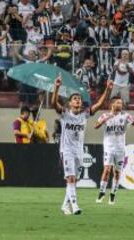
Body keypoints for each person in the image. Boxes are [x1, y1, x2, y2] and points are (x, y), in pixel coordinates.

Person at [51, 74, 113, 215]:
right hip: (66, 150)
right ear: (70, 103)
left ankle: (64, 205)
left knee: (74, 180)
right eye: (75, 99)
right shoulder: (65, 114)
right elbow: (54, 103)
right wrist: (56, 87)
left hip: (79, 151)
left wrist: (108, 90)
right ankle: (75, 206)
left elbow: (100, 105)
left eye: (79, 99)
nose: (78, 100)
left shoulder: (84, 114)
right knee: (71, 178)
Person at [94, 96, 134, 205]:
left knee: (117, 172)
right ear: (112, 104)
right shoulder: (105, 115)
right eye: (118, 103)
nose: (120, 105)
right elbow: (96, 126)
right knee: (107, 169)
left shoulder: (126, 116)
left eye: (121, 103)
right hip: (109, 147)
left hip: (120, 148)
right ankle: (102, 191)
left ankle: (113, 194)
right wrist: (104, 120)